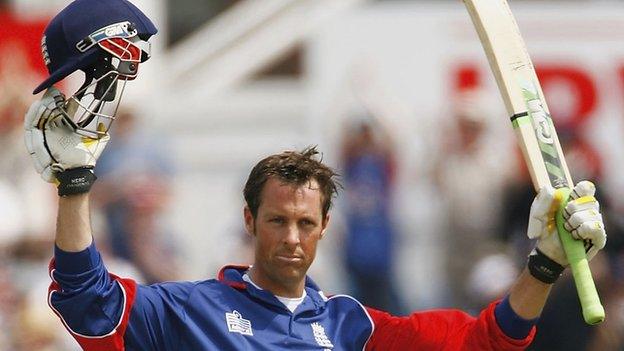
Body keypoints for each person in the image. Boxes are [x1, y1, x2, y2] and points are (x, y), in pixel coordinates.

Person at [25, 1, 607, 350]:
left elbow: (486, 340)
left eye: (306, 222)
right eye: (277, 220)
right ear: (250, 220)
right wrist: (75, 186)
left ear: (327, 226)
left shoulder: (351, 325)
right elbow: (85, 304)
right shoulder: (187, 311)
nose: (293, 237)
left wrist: (546, 263)